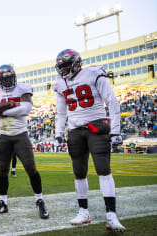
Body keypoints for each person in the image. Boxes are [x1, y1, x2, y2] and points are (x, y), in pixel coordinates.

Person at [53, 49, 125, 232]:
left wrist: (116, 130)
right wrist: (58, 132)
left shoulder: (93, 73)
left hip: (96, 126)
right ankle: (83, 211)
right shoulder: (60, 84)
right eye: (61, 67)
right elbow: (61, 111)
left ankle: (111, 214)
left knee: (103, 169)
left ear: (76, 63)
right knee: (79, 172)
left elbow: (112, 101)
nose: (63, 70)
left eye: (66, 65)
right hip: (75, 130)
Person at [0, 64, 49, 219]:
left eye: (9, 78)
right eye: (4, 79)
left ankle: (40, 200)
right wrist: (10, 104)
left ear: (14, 77)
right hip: (3, 135)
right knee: (2, 170)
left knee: (30, 168)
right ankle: (3, 203)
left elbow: (25, 109)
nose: (7, 81)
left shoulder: (22, 88)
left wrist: (3, 111)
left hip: (20, 134)